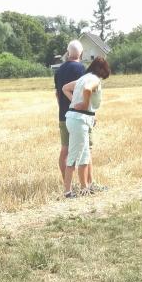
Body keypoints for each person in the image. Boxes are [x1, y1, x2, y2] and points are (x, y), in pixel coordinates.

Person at [61, 57, 111, 198]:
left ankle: (83, 188)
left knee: (84, 155)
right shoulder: (94, 80)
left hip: (75, 117)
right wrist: (83, 105)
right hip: (79, 119)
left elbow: (65, 88)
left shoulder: (82, 78)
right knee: (76, 156)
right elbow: (88, 89)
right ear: (101, 70)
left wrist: (76, 103)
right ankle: (69, 191)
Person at [54, 40, 85, 182]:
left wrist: (62, 108)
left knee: (65, 149)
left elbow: (57, 94)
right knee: (85, 149)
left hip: (63, 115)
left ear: (67, 52)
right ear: (81, 53)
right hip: (78, 116)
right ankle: (86, 183)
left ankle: (67, 182)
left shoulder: (59, 71)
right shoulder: (81, 69)